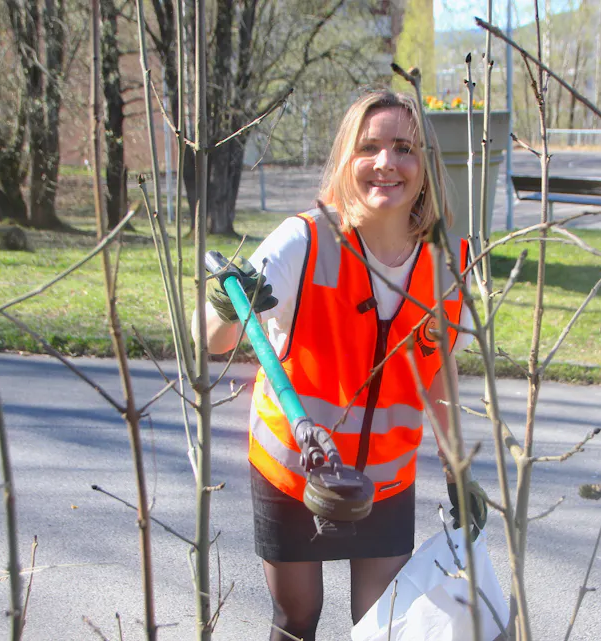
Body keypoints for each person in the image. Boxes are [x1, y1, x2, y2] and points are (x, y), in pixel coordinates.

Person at [198, 89, 488, 641]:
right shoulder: (302, 242)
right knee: (296, 619)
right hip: (294, 473)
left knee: (381, 628)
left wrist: (459, 469)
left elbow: (440, 378)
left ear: (426, 163)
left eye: (404, 147)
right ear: (346, 160)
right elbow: (214, 341)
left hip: (385, 482)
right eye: (369, 147)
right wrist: (224, 305)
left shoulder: (448, 264)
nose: (386, 162)